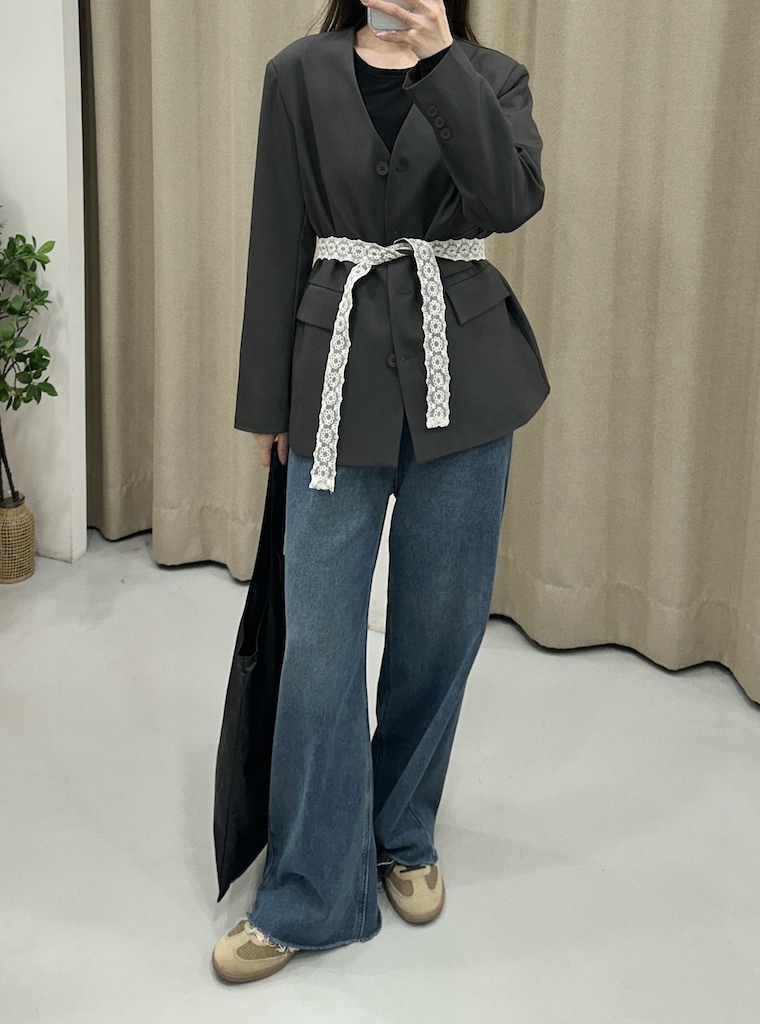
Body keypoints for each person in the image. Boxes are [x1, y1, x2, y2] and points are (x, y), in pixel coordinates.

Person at [213, 0, 549, 983]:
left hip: (467, 384)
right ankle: (308, 886)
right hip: (334, 379)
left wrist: (442, 63)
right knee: (319, 643)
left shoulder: (494, 76)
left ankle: (404, 830)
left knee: (440, 629)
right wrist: (267, 399)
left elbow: (509, 199)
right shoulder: (297, 72)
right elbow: (278, 234)